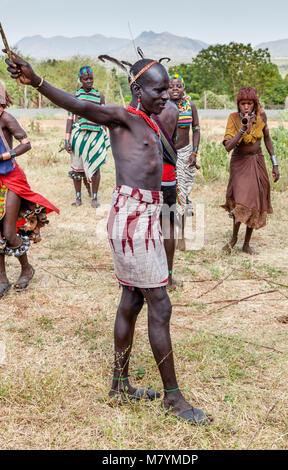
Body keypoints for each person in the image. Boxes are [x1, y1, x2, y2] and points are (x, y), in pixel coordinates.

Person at [5, 48, 212, 425]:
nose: (166, 97)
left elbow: (174, 139)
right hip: (133, 217)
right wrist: (35, 81)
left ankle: (119, 386)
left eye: (167, 90)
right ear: (137, 91)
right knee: (160, 304)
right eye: (159, 91)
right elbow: (78, 106)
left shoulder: (150, 121)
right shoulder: (122, 118)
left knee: (132, 299)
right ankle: (173, 399)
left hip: (144, 213)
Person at [0, 81, 59, 295]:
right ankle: (2, 278)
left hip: (11, 179)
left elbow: (25, 143)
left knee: (8, 231)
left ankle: (26, 268)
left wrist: (5, 156)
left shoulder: (6, 118)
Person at [222, 87, 280, 255]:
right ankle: (233, 239)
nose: (246, 107)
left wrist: (274, 163)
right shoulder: (233, 118)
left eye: (249, 103)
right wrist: (242, 128)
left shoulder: (261, 116)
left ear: (255, 104)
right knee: (241, 201)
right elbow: (228, 147)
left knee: (255, 201)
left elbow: (267, 138)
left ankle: (246, 244)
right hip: (240, 162)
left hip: (257, 160)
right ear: (238, 105)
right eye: (242, 103)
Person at [64, 66, 110, 208]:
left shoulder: (99, 95)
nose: (89, 81)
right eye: (86, 79)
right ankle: (78, 198)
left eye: (91, 78)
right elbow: (70, 118)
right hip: (79, 136)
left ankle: (94, 198)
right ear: (80, 80)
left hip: (96, 135)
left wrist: (105, 135)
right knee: (77, 168)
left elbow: (104, 116)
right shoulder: (75, 95)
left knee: (95, 167)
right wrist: (67, 139)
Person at [168, 74, 200, 251]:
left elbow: (196, 130)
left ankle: (181, 237)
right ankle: (167, 234)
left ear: (184, 88)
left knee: (182, 195)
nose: (175, 89)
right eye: (171, 86)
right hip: (167, 154)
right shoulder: (162, 106)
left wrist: (194, 152)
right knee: (167, 194)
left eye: (178, 86)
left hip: (185, 153)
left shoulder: (190, 106)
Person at [152, 101, 182, 290]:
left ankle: (149, 278)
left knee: (146, 226)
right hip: (168, 174)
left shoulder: (144, 107)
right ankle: (168, 277)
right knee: (168, 226)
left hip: (148, 174)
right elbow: (175, 139)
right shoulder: (174, 110)